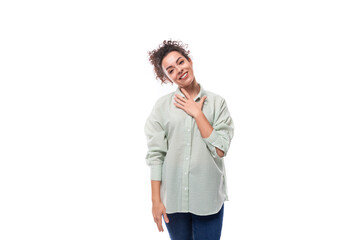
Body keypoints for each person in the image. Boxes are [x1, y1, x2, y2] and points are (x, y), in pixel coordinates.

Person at [144, 39, 235, 240]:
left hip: (208, 198)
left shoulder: (217, 103)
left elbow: (220, 150)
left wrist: (198, 114)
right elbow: (156, 156)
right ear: (168, 78)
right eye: (170, 70)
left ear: (190, 61)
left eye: (180, 62)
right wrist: (155, 200)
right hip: (173, 201)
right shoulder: (161, 107)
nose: (179, 70)